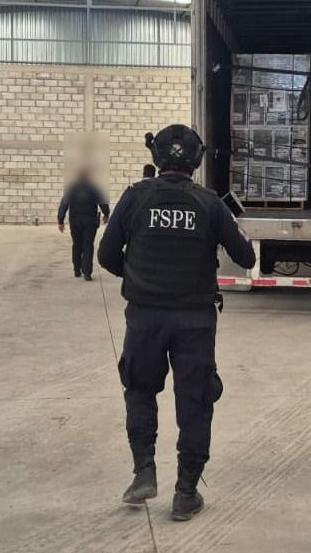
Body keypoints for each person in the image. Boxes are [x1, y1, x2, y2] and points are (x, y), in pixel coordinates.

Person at [98, 124, 255, 521]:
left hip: (144, 317)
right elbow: (246, 257)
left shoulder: (135, 197)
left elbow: (106, 254)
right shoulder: (210, 203)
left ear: (156, 157)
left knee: (139, 390)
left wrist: (138, 277)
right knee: (196, 402)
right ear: (197, 160)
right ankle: (185, 493)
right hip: (194, 321)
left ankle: (144, 472)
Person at [58, 168, 110, 281]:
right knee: (88, 245)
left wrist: (60, 221)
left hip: (75, 221)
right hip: (90, 221)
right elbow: (103, 203)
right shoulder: (94, 188)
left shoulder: (72, 189)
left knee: (77, 245)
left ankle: (77, 270)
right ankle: (87, 272)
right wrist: (106, 214)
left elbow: (64, 204)